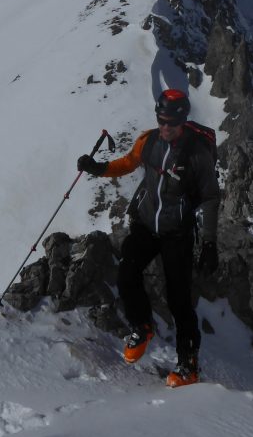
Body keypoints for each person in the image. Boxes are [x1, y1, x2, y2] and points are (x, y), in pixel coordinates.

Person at [78, 88, 220, 387]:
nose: (165, 127)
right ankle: (142, 327)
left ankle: (188, 366)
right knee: (128, 271)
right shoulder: (149, 140)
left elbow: (209, 197)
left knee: (179, 299)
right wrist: (97, 168)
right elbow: (128, 163)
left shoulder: (197, 153)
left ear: (182, 121)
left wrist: (209, 243)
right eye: (161, 120)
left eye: (171, 122)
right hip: (146, 222)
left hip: (177, 231)